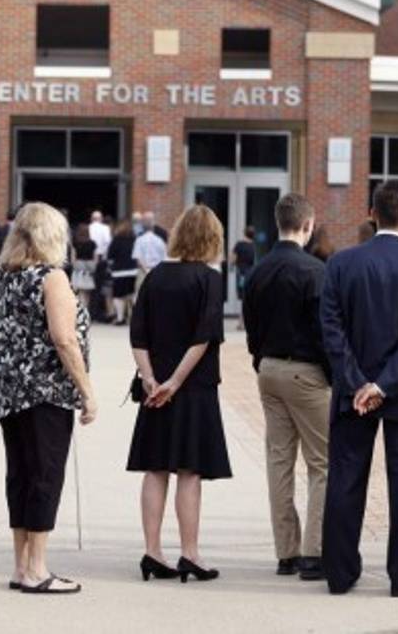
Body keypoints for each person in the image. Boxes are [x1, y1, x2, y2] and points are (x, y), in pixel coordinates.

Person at [320, 180, 398, 598]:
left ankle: (339, 573)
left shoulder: (340, 263)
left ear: (372, 214)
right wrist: (383, 385)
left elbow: (331, 332)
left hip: (353, 393)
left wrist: (359, 383)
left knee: (345, 480)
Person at [0, 203, 98, 594]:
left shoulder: (5, 276)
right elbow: (64, 339)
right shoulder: (52, 278)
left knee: (21, 474)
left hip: (7, 388)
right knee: (46, 475)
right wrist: (87, 392)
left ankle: (21, 565)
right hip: (44, 389)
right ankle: (37, 569)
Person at [127, 205, 230, 584]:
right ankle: (190, 553)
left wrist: (151, 378)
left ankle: (152, 551)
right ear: (213, 239)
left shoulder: (155, 276)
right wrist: (175, 382)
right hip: (194, 388)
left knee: (155, 468)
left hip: (155, 390)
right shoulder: (209, 279)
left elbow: (138, 333)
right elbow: (204, 337)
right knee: (189, 471)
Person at [241, 194, 328, 581]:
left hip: (268, 369)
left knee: (279, 462)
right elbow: (325, 332)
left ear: (279, 223)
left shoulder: (258, 270)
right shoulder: (315, 270)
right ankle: (315, 551)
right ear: (307, 225)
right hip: (306, 371)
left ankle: (286, 552)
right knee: (322, 464)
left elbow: (250, 324)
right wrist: (333, 375)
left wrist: (260, 359)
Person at [107, 220, 138, 324]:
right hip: (132, 270)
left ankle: (120, 318)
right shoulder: (134, 239)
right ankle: (134, 316)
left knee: (118, 296)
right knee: (132, 294)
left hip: (119, 272)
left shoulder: (116, 240)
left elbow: (110, 256)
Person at [231, 226, 257, 331]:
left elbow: (232, 259)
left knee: (243, 298)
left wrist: (232, 264)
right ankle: (245, 322)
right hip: (250, 274)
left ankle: (241, 323)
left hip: (241, 274)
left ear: (244, 233)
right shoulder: (253, 247)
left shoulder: (239, 245)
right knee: (248, 297)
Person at [132, 213, 168, 290]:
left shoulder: (139, 240)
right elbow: (164, 259)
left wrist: (146, 271)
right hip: (157, 272)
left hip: (143, 272)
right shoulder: (160, 241)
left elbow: (138, 260)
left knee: (140, 297)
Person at [70, 222, 97, 311]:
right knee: (87, 292)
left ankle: (80, 310)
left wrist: (74, 266)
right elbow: (95, 257)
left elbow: (73, 257)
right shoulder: (92, 243)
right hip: (89, 268)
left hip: (79, 267)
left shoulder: (75, 243)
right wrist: (94, 267)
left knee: (79, 291)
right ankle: (86, 309)